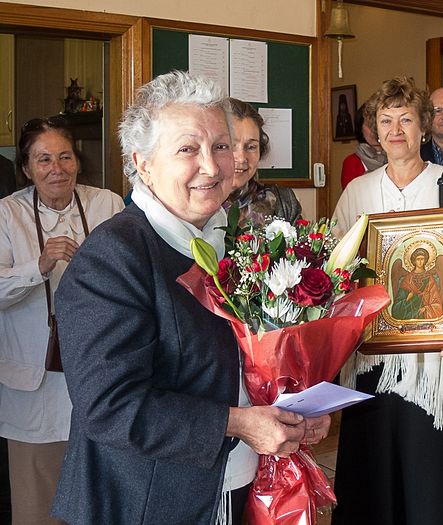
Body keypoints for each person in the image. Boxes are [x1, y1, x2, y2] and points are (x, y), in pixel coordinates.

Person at [50, 71, 330, 525]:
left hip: (234, 486)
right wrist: (239, 423)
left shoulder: (235, 242)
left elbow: (248, 362)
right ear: (142, 163)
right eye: (188, 149)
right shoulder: (113, 257)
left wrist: (296, 412)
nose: (213, 165)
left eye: (221, 146)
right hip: (147, 501)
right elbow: (111, 407)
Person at [331, 76, 443, 525]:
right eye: (385, 120)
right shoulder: (358, 192)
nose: (395, 130)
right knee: (372, 466)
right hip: (371, 350)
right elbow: (336, 265)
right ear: (374, 128)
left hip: (431, 358)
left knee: (424, 465)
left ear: (423, 127)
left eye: (406, 119)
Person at [0, 116, 124, 525]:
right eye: (43, 159)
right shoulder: (7, 215)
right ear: (26, 168)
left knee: (99, 492)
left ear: (78, 160)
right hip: (35, 381)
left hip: (101, 372)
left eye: (65, 156)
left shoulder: (106, 204)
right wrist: (39, 265)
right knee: (38, 501)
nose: (57, 168)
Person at [225, 98, 302, 226]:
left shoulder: (283, 202)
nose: (242, 158)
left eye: (251, 147)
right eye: (231, 146)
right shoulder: (192, 206)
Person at [340, 103, 387, 189]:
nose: (374, 130)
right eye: (369, 125)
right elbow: (351, 197)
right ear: (360, 128)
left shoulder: (398, 156)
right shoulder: (351, 162)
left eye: (378, 124)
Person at [390, 247, 443, 320]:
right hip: (410, 311)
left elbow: (436, 300)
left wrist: (426, 308)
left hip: (424, 313)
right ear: (414, 261)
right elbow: (397, 307)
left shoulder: (429, 278)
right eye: (418, 259)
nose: (420, 262)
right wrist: (407, 299)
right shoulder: (408, 278)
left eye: (422, 259)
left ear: (425, 260)